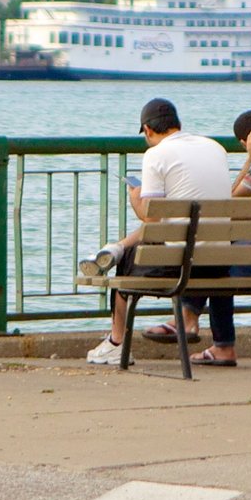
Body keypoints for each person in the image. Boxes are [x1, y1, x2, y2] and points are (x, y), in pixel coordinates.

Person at [84, 98, 233, 367]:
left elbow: (151, 219)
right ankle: (114, 249)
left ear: (148, 130)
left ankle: (117, 343)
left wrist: (135, 199)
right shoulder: (216, 148)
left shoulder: (156, 155)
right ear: (178, 124)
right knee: (156, 242)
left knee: (127, 265)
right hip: (219, 261)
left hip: (179, 263)